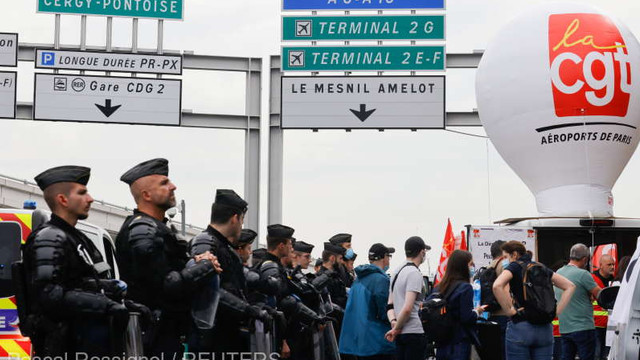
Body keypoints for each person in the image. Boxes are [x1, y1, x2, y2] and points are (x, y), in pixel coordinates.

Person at [115, 158, 220, 357]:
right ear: (146, 194)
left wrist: (195, 262)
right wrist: (205, 265)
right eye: (164, 183)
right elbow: (168, 285)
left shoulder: (157, 228)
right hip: (154, 338)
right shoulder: (143, 230)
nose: (173, 186)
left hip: (166, 334)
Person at [20, 166, 129, 356]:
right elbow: (49, 294)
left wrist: (112, 290)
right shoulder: (50, 238)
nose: (90, 198)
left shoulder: (75, 237)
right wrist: (104, 305)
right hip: (64, 346)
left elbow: (79, 283)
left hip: (85, 343)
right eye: (82, 193)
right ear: (63, 199)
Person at [189, 189, 270, 354]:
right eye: (242, 220)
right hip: (212, 339)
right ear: (235, 218)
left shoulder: (225, 247)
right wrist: (247, 310)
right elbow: (208, 289)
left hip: (228, 334)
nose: (241, 225)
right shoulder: (205, 242)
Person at [493, 241, 575, 360]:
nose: (505, 261)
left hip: (521, 326)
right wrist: (557, 312)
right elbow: (570, 286)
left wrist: (509, 310)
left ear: (514, 254)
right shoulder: (540, 267)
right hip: (545, 328)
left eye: (506, 257)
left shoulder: (515, 266)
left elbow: (497, 285)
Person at [339, 243, 396, 360]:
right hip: (376, 342)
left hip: (359, 341)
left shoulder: (359, 278)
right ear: (384, 257)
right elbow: (384, 312)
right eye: (388, 256)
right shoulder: (381, 280)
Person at [429, 250, 485, 360]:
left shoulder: (439, 287)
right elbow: (466, 317)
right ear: (463, 266)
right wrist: (477, 312)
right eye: (470, 264)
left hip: (441, 342)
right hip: (458, 342)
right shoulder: (465, 288)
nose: (472, 267)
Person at [385, 236, 430, 360]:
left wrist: (394, 322)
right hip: (413, 331)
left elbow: (390, 304)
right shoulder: (414, 273)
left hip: (400, 333)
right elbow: (408, 308)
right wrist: (396, 328)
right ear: (422, 252)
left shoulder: (396, 272)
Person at [555, 244, 602, 360]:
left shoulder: (558, 273)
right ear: (585, 259)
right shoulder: (583, 274)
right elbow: (600, 295)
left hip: (565, 328)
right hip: (583, 327)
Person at [484, 240, 508, 360]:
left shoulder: (489, 266)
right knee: (505, 352)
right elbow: (507, 289)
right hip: (504, 313)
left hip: (491, 313)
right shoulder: (504, 265)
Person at [592, 254, 614, 360]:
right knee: (596, 354)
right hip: (595, 324)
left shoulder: (615, 281)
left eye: (613, 264)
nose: (612, 267)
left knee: (607, 355)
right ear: (601, 265)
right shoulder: (592, 279)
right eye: (609, 264)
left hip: (610, 325)